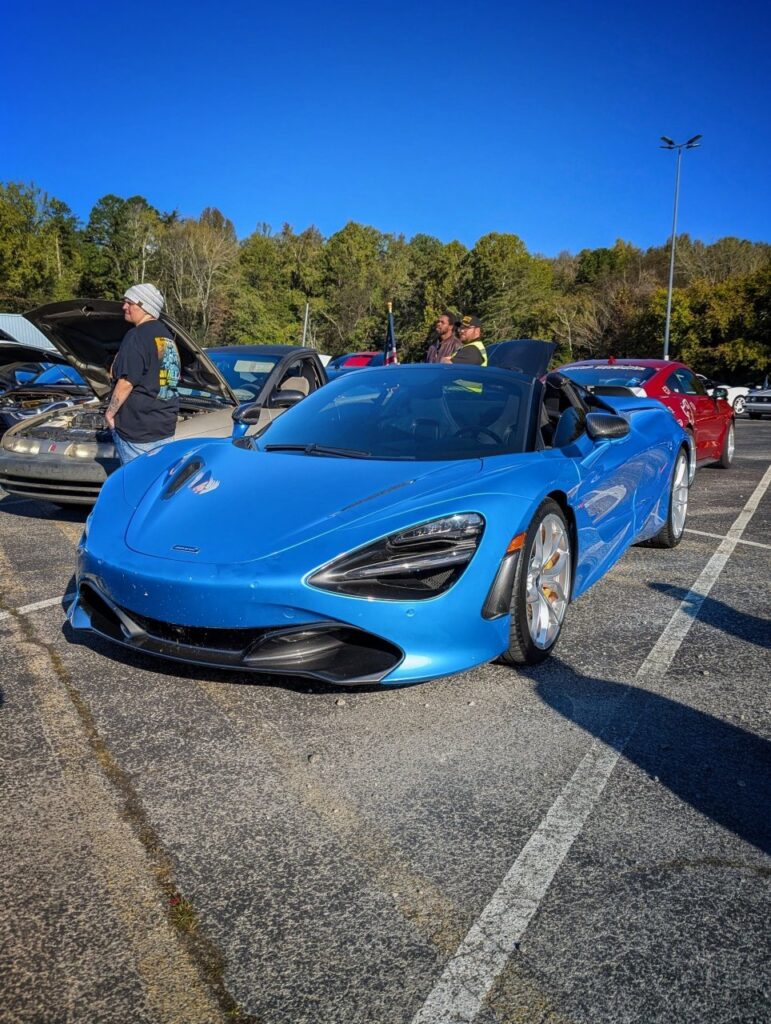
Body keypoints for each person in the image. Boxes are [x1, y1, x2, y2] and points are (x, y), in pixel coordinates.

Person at [106, 283, 181, 465]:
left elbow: (126, 382)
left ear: (143, 306)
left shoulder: (136, 336)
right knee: (155, 480)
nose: (124, 306)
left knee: (136, 484)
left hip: (137, 429)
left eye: (129, 302)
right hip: (164, 425)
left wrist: (110, 413)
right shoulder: (168, 338)